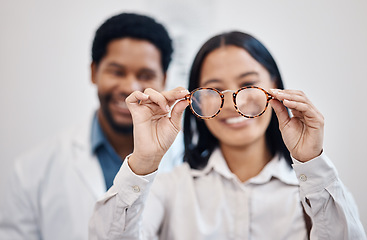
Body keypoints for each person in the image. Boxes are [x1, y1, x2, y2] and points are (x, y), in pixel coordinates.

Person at [89, 31, 366, 239]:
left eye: (248, 85)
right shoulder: (170, 189)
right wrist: (144, 161)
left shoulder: (313, 191)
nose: (233, 103)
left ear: (275, 88)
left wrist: (311, 162)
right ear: (195, 101)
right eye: (214, 89)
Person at [0, 13, 182, 240]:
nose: (130, 87)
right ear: (94, 72)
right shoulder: (31, 171)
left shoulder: (188, 164)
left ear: (164, 79)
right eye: (117, 72)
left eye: (145, 75)